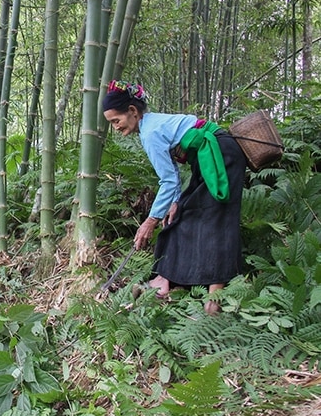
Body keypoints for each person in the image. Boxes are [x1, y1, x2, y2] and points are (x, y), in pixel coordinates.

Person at [102, 80, 247, 314]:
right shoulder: (149, 127)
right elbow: (172, 177)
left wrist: (150, 221)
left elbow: (168, 181)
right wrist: (175, 202)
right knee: (182, 216)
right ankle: (164, 280)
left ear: (132, 111)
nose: (116, 128)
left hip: (220, 156)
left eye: (116, 121)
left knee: (217, 220)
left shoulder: (149, 133)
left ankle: (214, 299)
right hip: (207, 157)